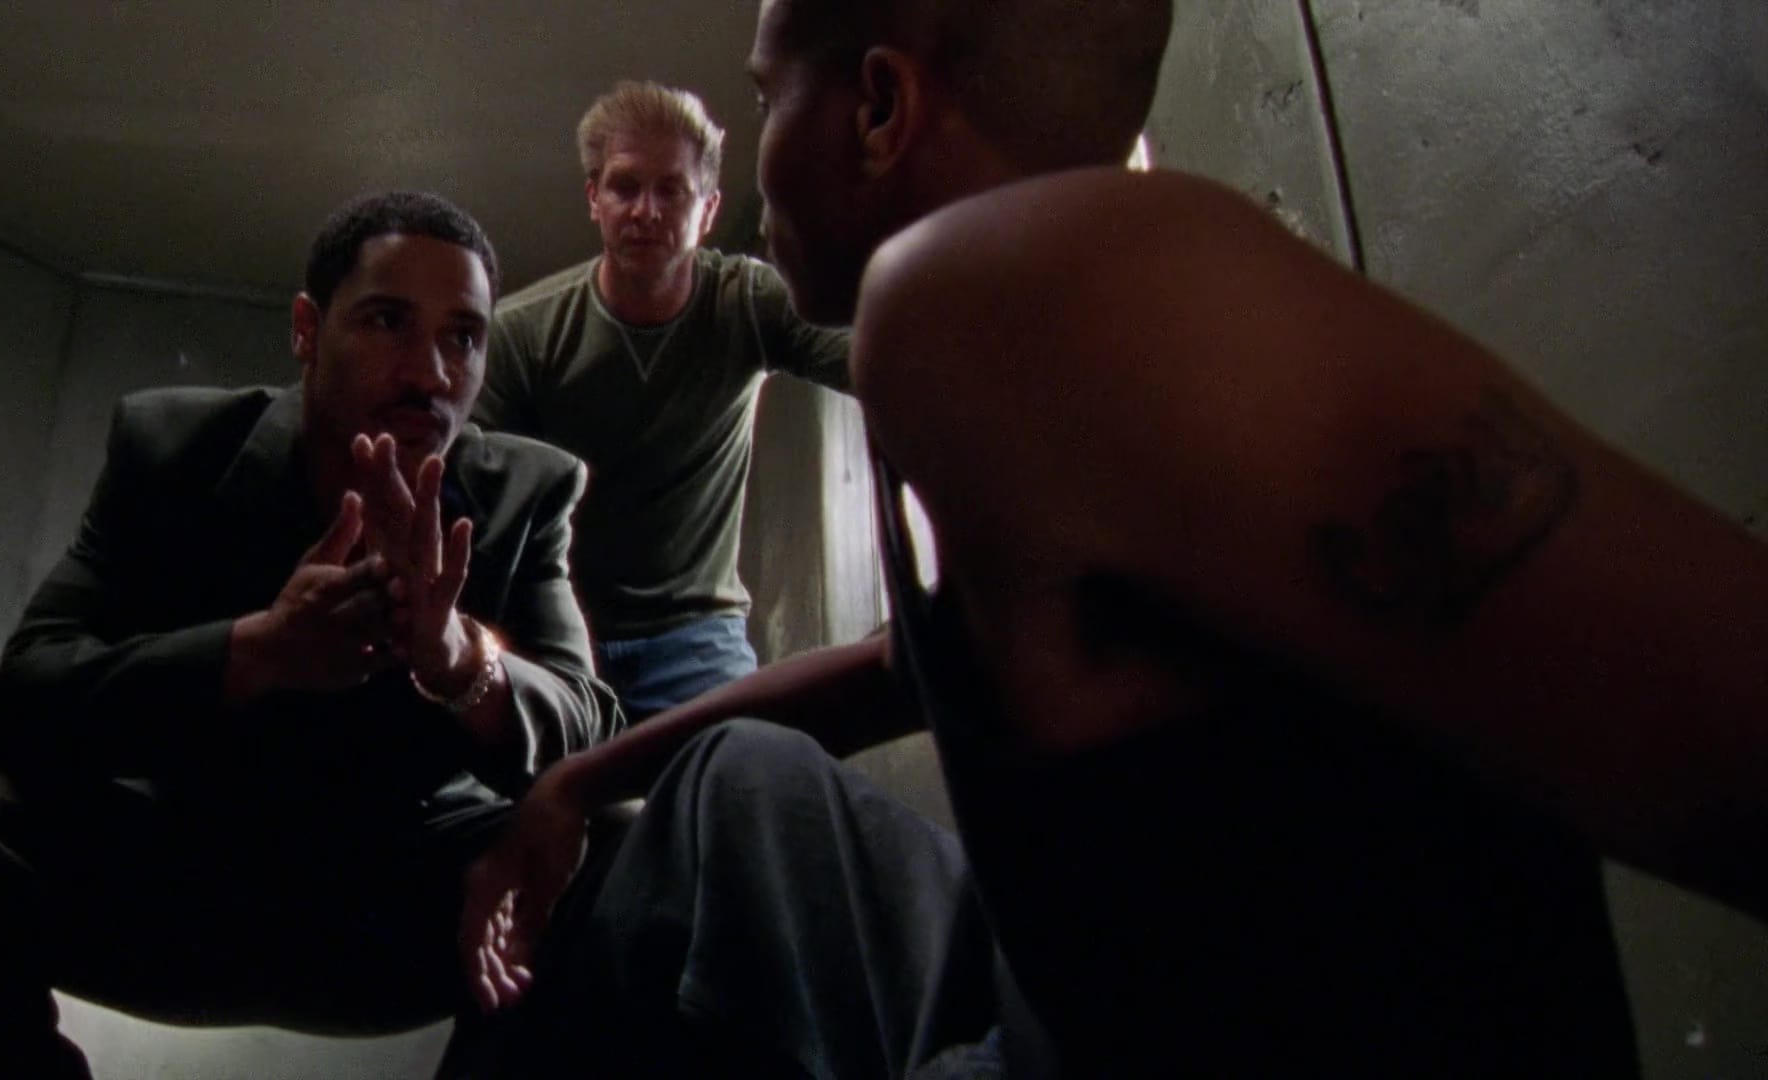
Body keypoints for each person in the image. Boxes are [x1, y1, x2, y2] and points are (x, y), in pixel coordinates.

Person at [455, 0, 1768, 1076]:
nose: (744, 171)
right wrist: (577, 780)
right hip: (1045, 1016)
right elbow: (905, 670)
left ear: (877, 107)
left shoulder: (979, 292)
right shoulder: (1020, 367)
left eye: (764, 97)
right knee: (734, 779)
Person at [0, 191, 631, 1078]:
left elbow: (589, 732)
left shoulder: (526, 493)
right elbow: (26, 703)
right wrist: (254, 652)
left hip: (404, 903)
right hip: (178, 882)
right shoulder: (172, 448)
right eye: (387, 321)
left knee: (632, 843)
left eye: (464, 337)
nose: (431, 373)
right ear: (307, 329)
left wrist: (458, 659)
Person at [476, 80, 852, 721]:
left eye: (671, 190)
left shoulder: (745, 302)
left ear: (708, 209)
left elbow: (878, 358)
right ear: (594, 198)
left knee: (746, 768)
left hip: (697, 635)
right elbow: (466, 487)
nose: (646, 211)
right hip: (563, 632)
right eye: (624, 187)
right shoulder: (523, 333)